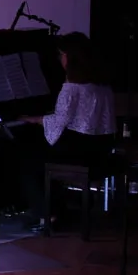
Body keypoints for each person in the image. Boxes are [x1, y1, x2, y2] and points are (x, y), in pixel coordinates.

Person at [17, 31, 116, 228]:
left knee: (28, 161)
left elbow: (59, 122)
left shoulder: (71, 88)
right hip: (99, 149)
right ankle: (57, 208)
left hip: (78, 152)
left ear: (70, 57)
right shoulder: (104, 87)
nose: (60, 59)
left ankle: (46, 215)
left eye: (61, 54)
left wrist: (36, 119)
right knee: (42, 155)